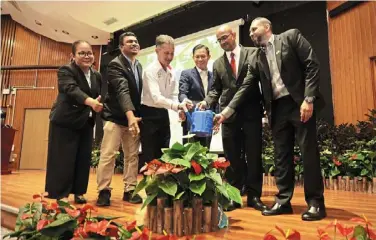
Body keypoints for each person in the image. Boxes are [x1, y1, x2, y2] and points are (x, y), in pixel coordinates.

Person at [217, 17, 326, 221]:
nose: (250, 33)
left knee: (308, 153)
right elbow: (247, 84)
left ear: (267, 27)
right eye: (249, 31)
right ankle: (283, 201)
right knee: (281, 157)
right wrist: (226, 111)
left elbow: (312, 65)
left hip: (299, 102)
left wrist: (308, 98)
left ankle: (316, 203)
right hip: (277, 109)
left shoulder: (290, 37)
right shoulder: (257, 56)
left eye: (253, 28)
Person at [197, 25, 265, 212]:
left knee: (253, 156)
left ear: (234, 34)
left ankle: (254, 196)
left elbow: (259, 81)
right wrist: (206, 102)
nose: (222, 42)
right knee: (232, 158)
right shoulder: (218, 63)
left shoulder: (253, 53)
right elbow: (215, 90)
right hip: (228, 118)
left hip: (251, 113)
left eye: (224, 37)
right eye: (219, 40)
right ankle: (234, 197)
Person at [45, 40, 103, 203]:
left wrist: (97, 102)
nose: (87, 56)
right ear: (72, 56)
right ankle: (60, 194)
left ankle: (78, 192)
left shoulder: (96, 75)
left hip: (85, 121)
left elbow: (97, 94)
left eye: (89, 53)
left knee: (83, 158)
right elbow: (70, 89)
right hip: (65, 121)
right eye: (82, 53)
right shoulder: (66, 70)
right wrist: (90, 101)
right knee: (62, 159)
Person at [96, 32, 143, 206]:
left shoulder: (138, 66)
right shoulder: (115, 65)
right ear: (121, 47)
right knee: (108, 155)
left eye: (136, 41)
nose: (134, 43)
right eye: (130, 41)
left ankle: (130, 190)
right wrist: (130, 116)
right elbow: (122, 90)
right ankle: (104, 191)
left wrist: (135, 117)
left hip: (132, 118)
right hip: (115, 117)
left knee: (132, 156)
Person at [140, 34, 192, 162]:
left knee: (164, 153)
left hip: (163, 114)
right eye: (166, 53)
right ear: (157, 51)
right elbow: (156, 98)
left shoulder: (171, 71)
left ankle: (161, 182)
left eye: (172, 53)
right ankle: (150, 182)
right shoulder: (149, 71)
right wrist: (177, 106)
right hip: (148, 114)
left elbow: (173, 95)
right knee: (150, 157)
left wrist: (180, 109)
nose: (169, 57)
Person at [179, 44, 215, 147]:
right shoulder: (187, 74)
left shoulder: (214, 75)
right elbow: (182, 93)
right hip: (192, 119)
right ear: (193, 57)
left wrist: (216, 116)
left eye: (203, 56)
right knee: (190, 155)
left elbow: (215, 96)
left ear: (208, 57)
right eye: (197, 56)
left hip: (207, 120)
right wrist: (185, 101)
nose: (200, 59)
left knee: (205, 153)